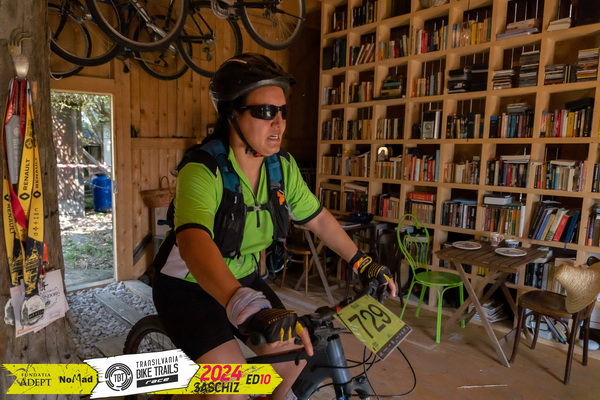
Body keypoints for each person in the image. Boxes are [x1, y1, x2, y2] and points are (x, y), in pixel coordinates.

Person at [152, 53, 396, 400]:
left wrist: (362, 261)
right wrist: (240, 302)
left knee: (295, 356)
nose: (279, 123)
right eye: (266, 111)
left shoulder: (280, 167)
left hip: (244, 280)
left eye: (283, 111)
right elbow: (193, 242)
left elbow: (318, 218)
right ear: (232, 113)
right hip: (188, 288)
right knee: (229, 388)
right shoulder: (203, 169)